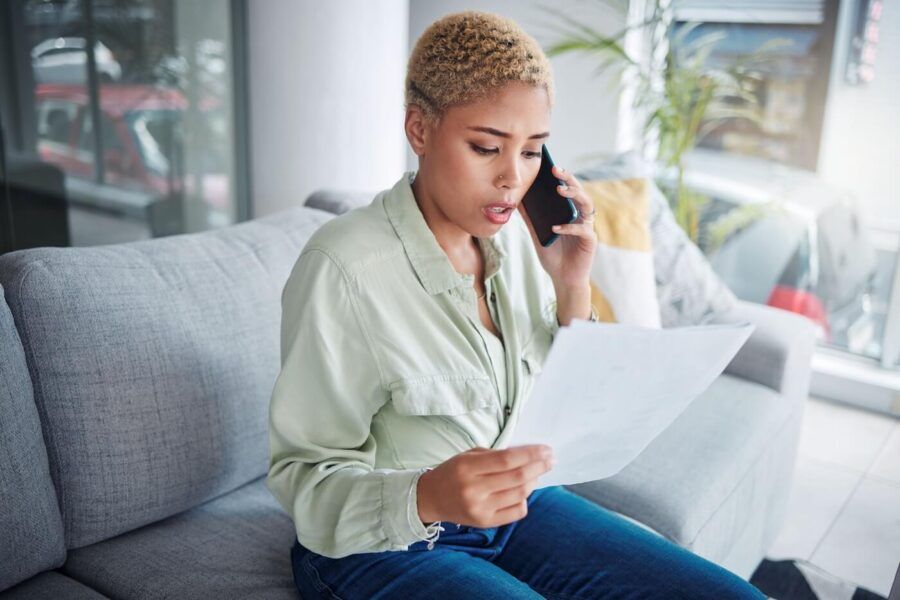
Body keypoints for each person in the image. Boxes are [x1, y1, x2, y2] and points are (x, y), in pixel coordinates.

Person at [267, 10, 767, 600]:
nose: (513, 177)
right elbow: (304, 479)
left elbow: (568, 411)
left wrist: (572, 287)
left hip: (522, 506)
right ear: (420, 130)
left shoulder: (524, 248)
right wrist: (428, 494)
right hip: (380, 545)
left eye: (533, 151)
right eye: (486, 147)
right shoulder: (344, 268)